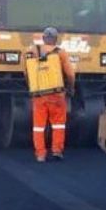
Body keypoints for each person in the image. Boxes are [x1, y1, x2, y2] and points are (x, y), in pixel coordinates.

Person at [28, 27, 75, 162]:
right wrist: (71, 88)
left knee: (38, 127)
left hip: (38, 95)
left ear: (43, 39)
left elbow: (27, 72)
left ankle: (41, 155)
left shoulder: (33, 52)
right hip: (57, 95)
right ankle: (57, 150)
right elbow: (70, 74)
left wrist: (31, 86)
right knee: (58, 124)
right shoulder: (61, 53)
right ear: (56, 39)